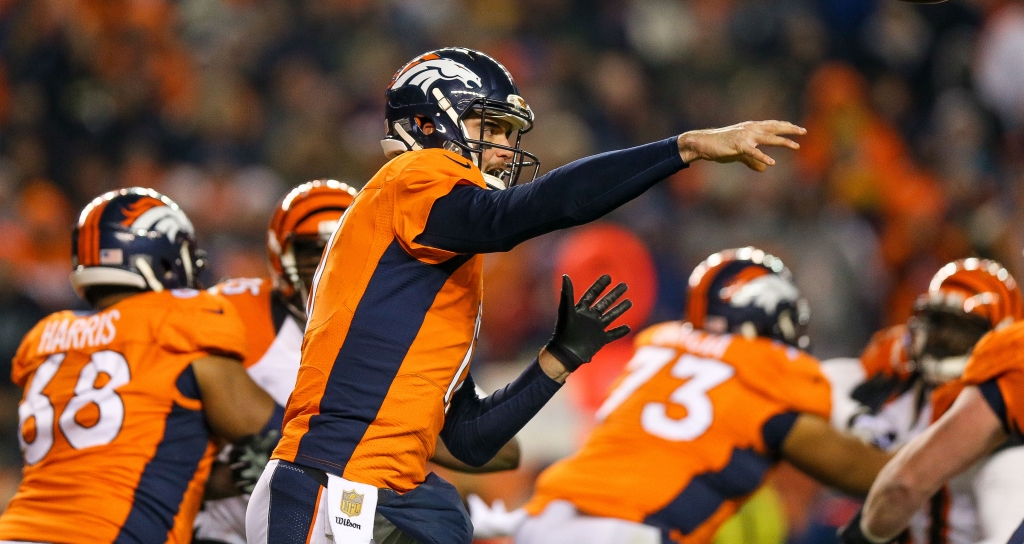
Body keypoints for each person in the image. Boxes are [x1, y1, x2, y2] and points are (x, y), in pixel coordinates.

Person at [245, 47, 808, 544]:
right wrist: (681, 149)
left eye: (510, 134)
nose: (503, 149)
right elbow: (520, 215)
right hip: (333, 485)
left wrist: (556, 361)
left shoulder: (429, 270)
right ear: (427, 121)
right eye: (489, 128)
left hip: (378, 491)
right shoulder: (412, 176)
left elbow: (466, 441)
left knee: (443, 513)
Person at [194, 179, 519, 544]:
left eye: (339, 248)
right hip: (224, 527)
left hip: (337, 521)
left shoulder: (398, 331)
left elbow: (501, 450)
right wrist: (209, 476)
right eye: (311, 251)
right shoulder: (235, 311)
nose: (325, 264)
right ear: (278, 255)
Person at [493, 248, 890, 544]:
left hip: (543, 517)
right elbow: (868, 474)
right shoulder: (764, 371)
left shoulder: (658, 344)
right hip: (629, 530)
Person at [0, 187, 280, 544]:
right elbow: (285, 440)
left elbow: (107, 465)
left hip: (16, 531)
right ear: (164, 259)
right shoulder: (179, 324)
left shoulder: (48, 338)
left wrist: (220, 478)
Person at [826, 258, 1024, 544]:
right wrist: (856, 419)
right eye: (936, 322)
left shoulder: (1003, 424)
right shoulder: (900, 371)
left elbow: (1005, 534)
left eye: (961, 327)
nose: (941, 337)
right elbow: (824, 381)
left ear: (996, 336)